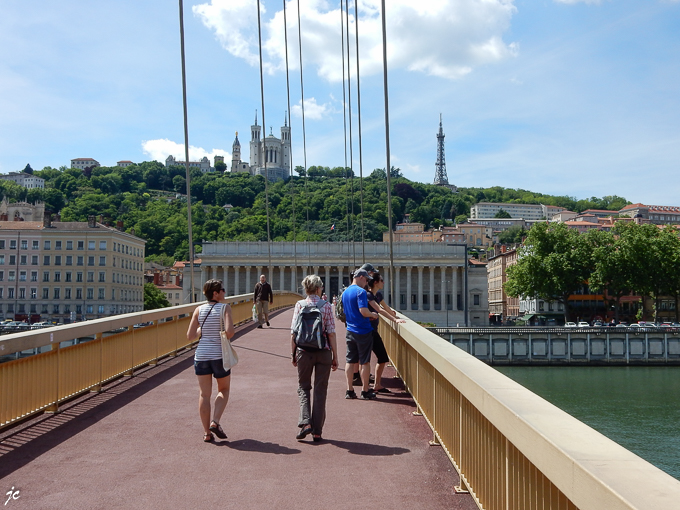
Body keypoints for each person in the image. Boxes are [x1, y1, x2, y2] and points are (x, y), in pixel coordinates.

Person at [186, 279, 235, 442]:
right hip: (219, 356)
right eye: (222, 290)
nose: (224, 292)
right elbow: (229, 333)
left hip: (201, 356)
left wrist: (202, 330)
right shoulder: (225, 308)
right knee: (224, 390)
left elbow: (190, 336)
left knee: (204, 394)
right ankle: (215, 421)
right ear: (215, 293)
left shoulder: (198, 310)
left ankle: (207, 433)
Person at [291, 275, 338, 442]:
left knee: (303, 387)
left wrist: (293, 353)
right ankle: (317, 431)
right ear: (319, 289)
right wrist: (335, 356)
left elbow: (294, 332)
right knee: (320, 390)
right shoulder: (326, 306)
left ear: (306, 289)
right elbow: (331, 333)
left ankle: (305, 423)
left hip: (303, 351)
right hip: (323, 351)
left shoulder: (299, 305)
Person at [342, 268, 379, 400]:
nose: (366, 283)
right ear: (362, 277)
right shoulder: (361, 292)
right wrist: (372, 314)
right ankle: (365, 390)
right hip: (363, 331)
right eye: (366, 280)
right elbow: (363, 311)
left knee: (350, 361)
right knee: (365, 362)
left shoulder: (345, 292)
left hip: (350, 330)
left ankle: (349, 390)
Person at [366, 273, 405, 393]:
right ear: (376, 282)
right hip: (369, 331)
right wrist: (394, 320)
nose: (384, 282)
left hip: (372, 329)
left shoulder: (377, 294)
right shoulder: (368, 295)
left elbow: (385, 307)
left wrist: (394, 314)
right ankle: (372, 386)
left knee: (374, 358)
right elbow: (379, 309)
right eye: (382, 280)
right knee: (381, 357)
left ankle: (374, 385)